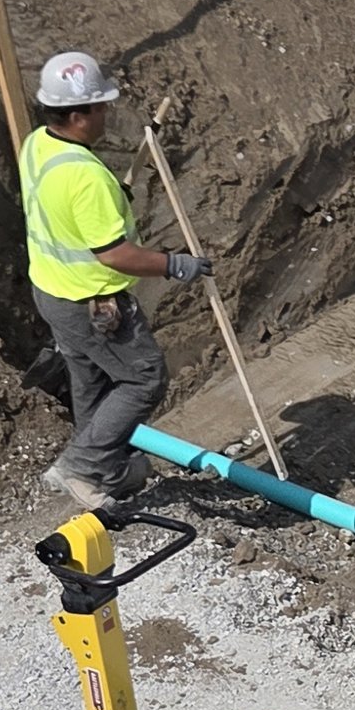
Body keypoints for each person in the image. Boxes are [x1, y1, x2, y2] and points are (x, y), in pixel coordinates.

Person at [21, 51, 212, 504]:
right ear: (77, 115)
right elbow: (114, 255)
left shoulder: (38, 145)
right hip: (92, 302)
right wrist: (174, 264)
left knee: (92, 380)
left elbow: (64, 208)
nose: (106, 112)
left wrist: (111, 201)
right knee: (143, 378)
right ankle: (82, 467)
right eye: (100, 105)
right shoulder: (87, 178)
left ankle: (101, 469)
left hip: (52, 291)